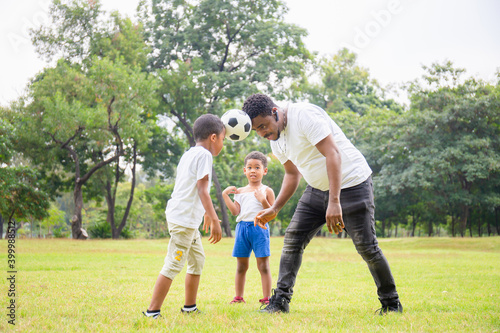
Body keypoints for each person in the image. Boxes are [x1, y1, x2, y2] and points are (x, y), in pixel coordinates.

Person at [242, 93, 402, 315]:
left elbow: (332, 154)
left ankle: (391, 304)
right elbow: (291, 174)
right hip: (317, 190)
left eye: (263, 126)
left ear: (275, 112)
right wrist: (275, 207)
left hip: (353, 184)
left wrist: (335, 201)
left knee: (367, 247)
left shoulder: (304, 115)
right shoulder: (276, 138)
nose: (263, 133)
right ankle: (280, 302)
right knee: (293, 239)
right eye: (257, 130)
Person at [143, 114, 225, 319]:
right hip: (184, 222)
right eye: (223, 139)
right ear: (213, 137)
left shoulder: (189, 153)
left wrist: (205, 212)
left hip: (185, 219)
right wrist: (215, 219)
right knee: (173, 264)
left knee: (197, 260)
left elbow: (193, 187)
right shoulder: (205, 155)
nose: (223, 144)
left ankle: (189, 307)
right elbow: (202, 190)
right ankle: (152, 312)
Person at [222, 151, 276, 305]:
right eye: (250, 167)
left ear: (264, 171)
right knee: (241, 266)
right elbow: (235, 212)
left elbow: (272, 213)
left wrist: (263, 200)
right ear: (244, 170)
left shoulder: (267, 191)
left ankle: (267, 298)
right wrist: (225, 196)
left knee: (263, 265)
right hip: (242, 229)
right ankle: (238, 297)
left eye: (257, 167)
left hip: (260, 228)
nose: (253, 170)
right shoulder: (239, 191)